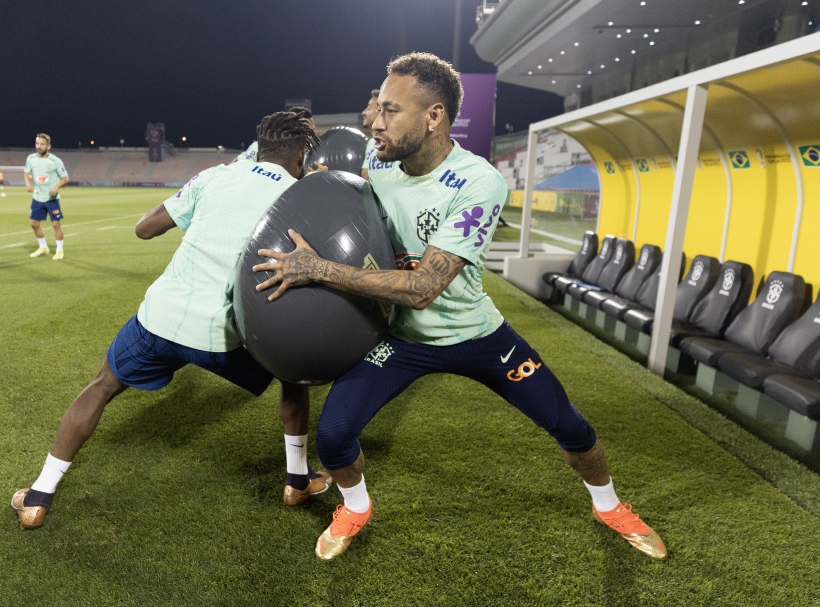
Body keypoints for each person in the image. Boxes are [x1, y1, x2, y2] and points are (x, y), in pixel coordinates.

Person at [253, 52, 667, 562]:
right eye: (376, 108)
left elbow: (426, 287)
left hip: (475, 334)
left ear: (434, 116)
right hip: (402, 341)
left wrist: (319, 270)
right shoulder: (378, 167)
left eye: (390, 110)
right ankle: (356, 507)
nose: (376, 122)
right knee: (335, 434)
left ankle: (608, 506)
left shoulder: (478, 181)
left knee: (569, 425)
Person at [11, 111, 330, 529]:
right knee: (294, 378)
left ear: (261, 147)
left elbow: (145, 229)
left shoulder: (215, 176)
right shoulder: (299, 196)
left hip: (160, 320)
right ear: (301, 154)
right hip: (228, 336)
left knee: (102, 386)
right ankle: (297, 480)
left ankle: (38, 497)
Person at [233, 107, 327, 172]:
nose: (310, 135)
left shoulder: (312, 153)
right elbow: (234, 167)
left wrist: (317, 176)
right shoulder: (262, 147)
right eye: (306, 130)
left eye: (312, 131)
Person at [24, 133, 69, 260]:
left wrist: (56, 187)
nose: (39, 146)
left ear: (48, 146)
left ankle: (59, 251)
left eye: (42, 144)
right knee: (33, 223)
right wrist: (28, 183)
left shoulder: (56, 161)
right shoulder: (30, 158)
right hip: (37, 197)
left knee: (55, 225)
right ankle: (43, 247)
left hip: (52, 199)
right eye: (37, 144)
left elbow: (65, 178)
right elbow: (27, 173)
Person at [359, 89, 380, 180]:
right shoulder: (371, 142)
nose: (363, 113)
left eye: (368, 108)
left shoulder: (396, 142)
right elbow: (365, 174)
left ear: (380, 110)